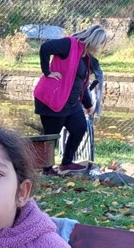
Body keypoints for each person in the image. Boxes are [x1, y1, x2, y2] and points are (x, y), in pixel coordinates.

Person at [33, 24, 107, 175]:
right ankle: (46, 169)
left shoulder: (85, 57)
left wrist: (88, 104)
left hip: (71, 103)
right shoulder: (69, 44)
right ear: (94, 40)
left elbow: (81, 83)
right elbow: (45, 48)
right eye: (100, 44)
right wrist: (47, 72)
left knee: (79, 127)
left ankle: (66, 163)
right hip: (53, 99)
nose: (100, 48)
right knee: (51, 135)